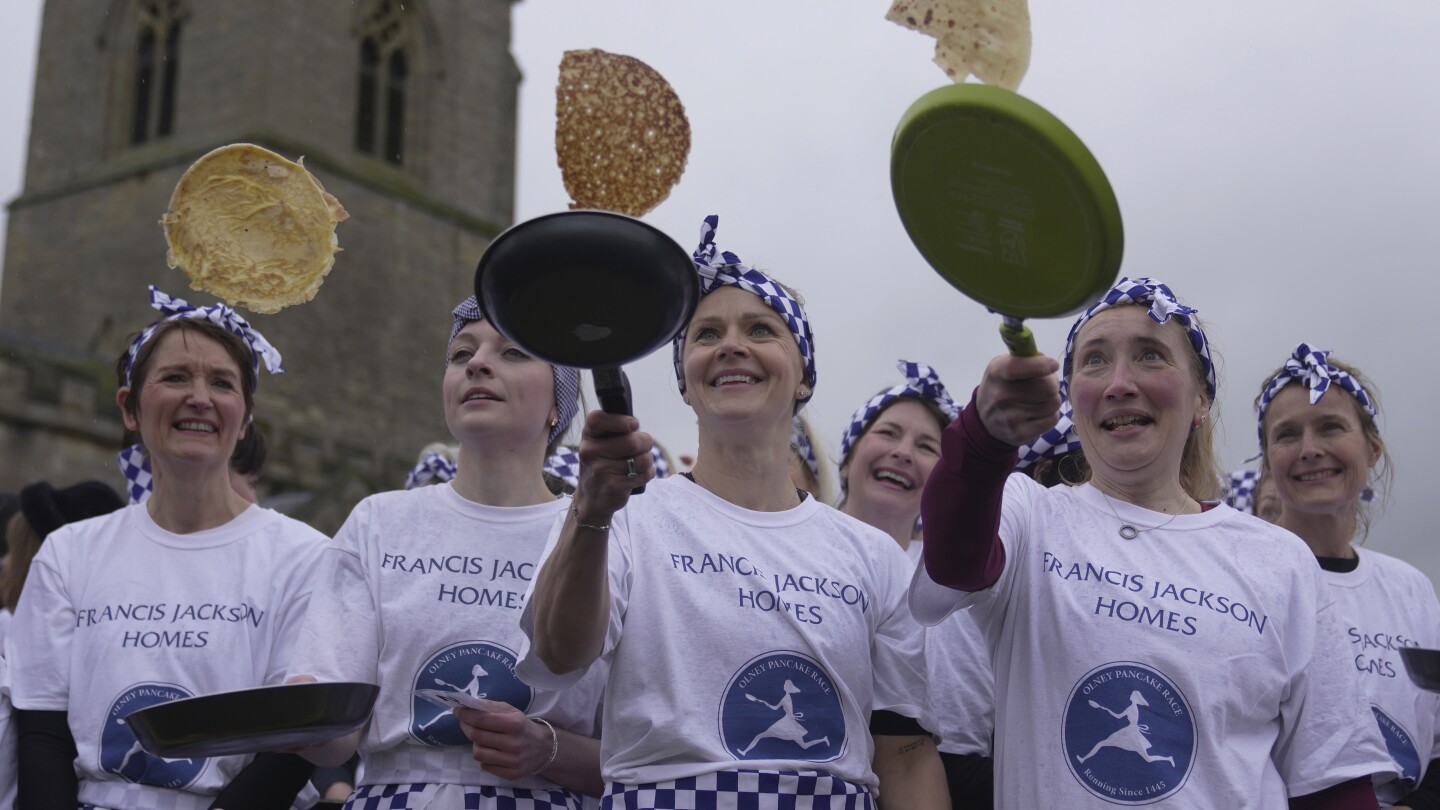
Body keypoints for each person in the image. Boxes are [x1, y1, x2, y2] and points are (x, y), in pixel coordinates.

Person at [911, 277, 1394, 809]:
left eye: (1150, 356)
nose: (1120, 382)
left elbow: (1335, 782)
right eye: (1095, 360)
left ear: (1200, 400)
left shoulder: (1278, 560)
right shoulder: (1030, 513)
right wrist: (983, 436)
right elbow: (951, 565)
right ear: (1070, 395)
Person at [519, 215, 947, 809]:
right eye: (706, 334)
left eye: (761, 329)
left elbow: (906, 755)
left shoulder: (872, 555)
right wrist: (591, 511)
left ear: (803, 377)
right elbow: (558, 656)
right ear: (686, 382)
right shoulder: (623, 519)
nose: (731, 346)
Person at [5, 286, 326, 810]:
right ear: (130, 408)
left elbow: (293, 749)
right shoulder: (69, 553)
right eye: (175, 377)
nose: (199, 397)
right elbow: (43, 733)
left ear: (244, 418)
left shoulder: (303, 557)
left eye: (221, 383)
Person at [287, 296, 605, 809]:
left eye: (514, 353)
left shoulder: (600, 534)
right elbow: (336, 745)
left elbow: (649, 755)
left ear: (556, 406)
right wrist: (306, 714)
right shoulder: (380, 521)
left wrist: (548, 749)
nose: (477, 363)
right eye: (461, 354)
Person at [1256, 343, 1440, 808]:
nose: (1310, 450)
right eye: (1287, 435)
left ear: (1373, 449)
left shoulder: (1410, 588)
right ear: (1268, 463)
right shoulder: (1245, 574)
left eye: (1331, 427)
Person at [836, 361, 994, 810]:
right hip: (831, 770)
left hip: (959, 777)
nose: (903, 452)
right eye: (887, 434)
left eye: (927, 446)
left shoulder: (967, 577)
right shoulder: (794, 555)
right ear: (847, 459)